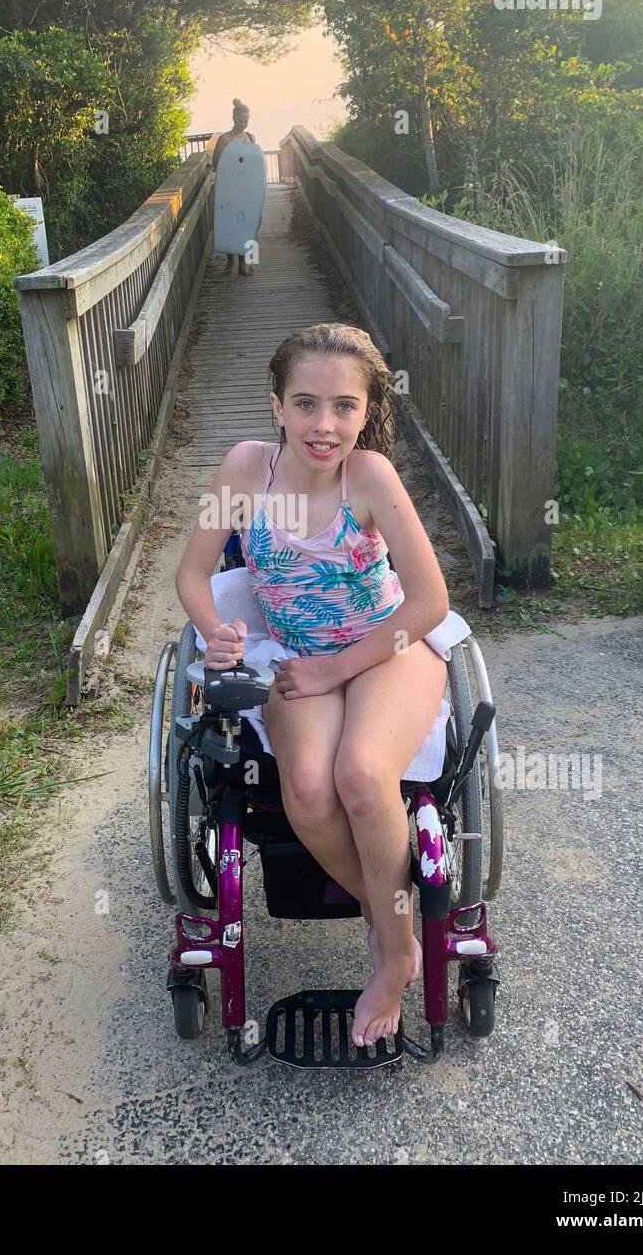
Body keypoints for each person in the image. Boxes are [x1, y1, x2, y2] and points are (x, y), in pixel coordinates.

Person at [174, 322, 464, 1049]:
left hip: (386, 648)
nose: (323, 425)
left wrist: (339, 668)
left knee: (362, 775)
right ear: (276, 405)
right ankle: (395, 913)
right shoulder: (243, 469)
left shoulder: (368, 478)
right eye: (305, 404)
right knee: (305, 788)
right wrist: (214, 628)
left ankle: (395, 954)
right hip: (295, 653)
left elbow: (429, 600)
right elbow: (191, 572)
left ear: (366, 412)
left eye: (342, 406)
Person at [211, 98, 257, 276]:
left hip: (247, 190)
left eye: (246, 120)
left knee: (246, 224)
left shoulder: (251, 138)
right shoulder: (224, 139)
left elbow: (255, 164)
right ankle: (230, 262)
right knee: (229, 225)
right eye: (240, 120)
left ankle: (243, 264)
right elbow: (216, 163)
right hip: (229, 190)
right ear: (233, 119)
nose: (243, 124)